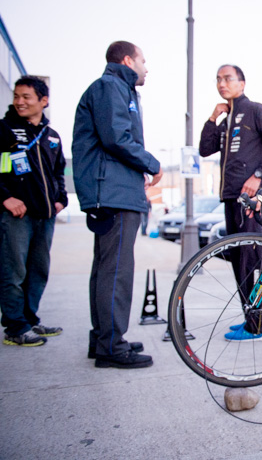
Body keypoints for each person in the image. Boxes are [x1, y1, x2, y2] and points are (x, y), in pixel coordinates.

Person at [72, 41, 162, 368]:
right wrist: (153, 164)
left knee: (106, 268)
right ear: (127, 60)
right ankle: (111, 345)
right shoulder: (111, 86)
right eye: (143, 60)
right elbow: (117, 137)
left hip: (112, 190)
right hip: (112, 193)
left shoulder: (115, 88)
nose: (146, 67)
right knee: (116, 271)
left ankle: (104, 339)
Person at [199, 64, 262, 342]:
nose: (222, 83)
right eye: (218, 79)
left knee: (251, 260)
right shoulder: (225, 117)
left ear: (242, 83)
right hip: (229, 198)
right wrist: (213, 118)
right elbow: (204, 150)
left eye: (228, 78)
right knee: (239, 262)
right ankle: (251, 319)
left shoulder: (256, 111)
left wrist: (258, 175)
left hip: (250, 200)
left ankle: (259, 325)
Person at [0, 76, 67, 347]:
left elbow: (59, 172)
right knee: (13, 271)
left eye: (26, 97)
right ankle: (15, 327)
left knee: (38, 270)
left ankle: (30, 320)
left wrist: (61, 199)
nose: (19, 101)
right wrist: (5, 199)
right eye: (17, 96)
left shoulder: (51, 136)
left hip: (45, 215)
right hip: (16, 216)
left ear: (43, 101)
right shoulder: (4, 130)